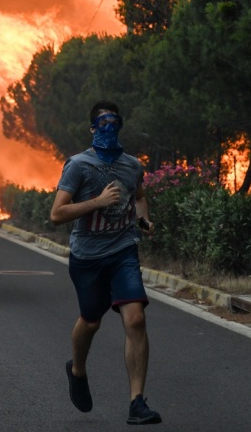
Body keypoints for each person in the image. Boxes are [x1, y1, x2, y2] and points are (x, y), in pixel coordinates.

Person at [49, 101, 161, 425]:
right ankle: (77, 370)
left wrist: (143, 220)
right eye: (103, 123)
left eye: (115, 122)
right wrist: (98, 201)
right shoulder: (78, 165)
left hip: (123, 250)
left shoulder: (131, 165)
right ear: (92, 128)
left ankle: (137, 403)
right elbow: (56, 214)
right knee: (91, 321)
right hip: (87, 256)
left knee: (135, 319)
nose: (109, 128)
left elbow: (139, 196)